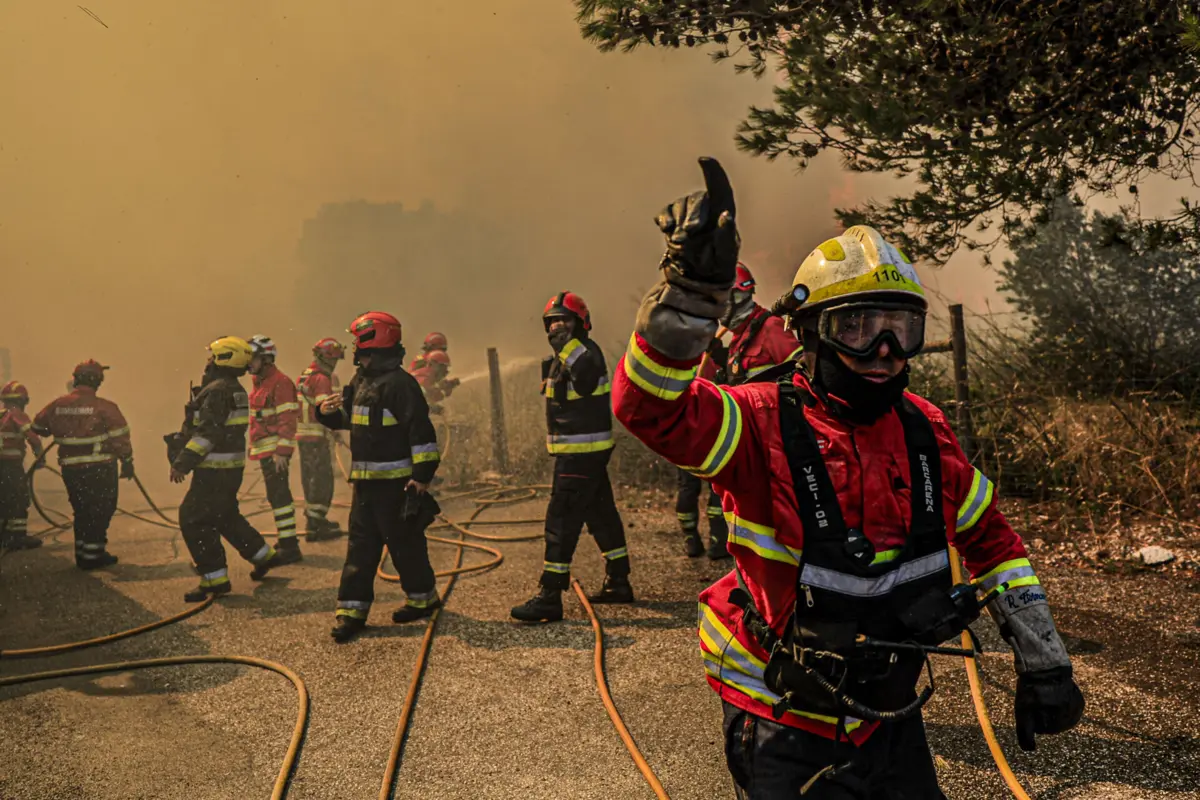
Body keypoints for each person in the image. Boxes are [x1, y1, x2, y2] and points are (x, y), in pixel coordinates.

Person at [611, 158, 1084, 798]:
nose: (884, 351)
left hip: (889, 711)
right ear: (812, 335)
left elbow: (995, 545)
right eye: (858, 327)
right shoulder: (758, 424)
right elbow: (650, 409)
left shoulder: (926, 432)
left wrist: (1045, 661)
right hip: (782, 709)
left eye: (901, 328)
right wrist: (690, 297)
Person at [318, 311, 443, 643]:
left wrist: (422, 476)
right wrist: (326, 414)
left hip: (396, 486)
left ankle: (422, 599)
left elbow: (422, 433)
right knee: (360, 549)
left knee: (405, 546)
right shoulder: (360, 380)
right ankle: (351, 612)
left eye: (359, 339)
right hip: (364, 486)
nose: (355, 346)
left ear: (374, 339)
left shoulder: (401, 385)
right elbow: (351, 419)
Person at [510, 292, 632, 623]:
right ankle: (618, 579)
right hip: (583, 455)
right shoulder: (565, 357)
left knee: (561, 522)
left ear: (581, 323)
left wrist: (564, 347)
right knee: (601, 513)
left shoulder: (584, 354)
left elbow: (586, 376)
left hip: (580, 456)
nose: (556, 327)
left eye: (564, 320)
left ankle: (550, 596)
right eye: (551, 322)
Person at [169, 337, 287, 601]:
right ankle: (263, 555)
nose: (208, 360)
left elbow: (208, 433)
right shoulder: (231, 388)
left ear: (223, 359)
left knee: (193, 518)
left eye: (213, 356)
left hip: (213, 470)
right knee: (224, 514)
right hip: (228, 469)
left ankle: (214, 579)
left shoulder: (218, 391)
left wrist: (182, 463)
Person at [33, 360, 133, 569]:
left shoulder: (57, 405)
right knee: (101, 509)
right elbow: (121, 438)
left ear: (76, 379)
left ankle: (83, 552)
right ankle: (93, 555)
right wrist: (127, 461)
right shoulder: (105, 407)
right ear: (98, 382)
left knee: (81, 509)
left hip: (70, 469)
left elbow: (38, 427)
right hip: (100, 467)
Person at [246, 335, 304, 564]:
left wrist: (282, 452)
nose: (248, 363)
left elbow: (288, 420)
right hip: (266, 452)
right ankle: (287, 539)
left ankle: (290, 547)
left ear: (267, 359)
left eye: (253, 358)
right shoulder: (260, 383)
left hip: (274, 453)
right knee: (275, 495)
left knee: (279, 496)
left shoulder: (280, 382)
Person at [675, 336, 730, 559]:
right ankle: (708, 541)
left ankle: (702, 539)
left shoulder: (708, 356)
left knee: (692, 488)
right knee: (709, 487)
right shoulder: (689, 359)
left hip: (690, 435)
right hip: (703, 433)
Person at [296, 337, 347, 540]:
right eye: (334, 359)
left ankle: (314, 520)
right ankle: (316, 525)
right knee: (322, 480)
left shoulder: (305, 376)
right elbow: (326, 411)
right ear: (326, 358)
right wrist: (335, 430)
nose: (335, 364)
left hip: (303, 436)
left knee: (310, 478)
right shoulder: (322, 379)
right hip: (317, 437)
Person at [0, 381, 45, 550]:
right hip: (11, 466)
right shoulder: (16, 414)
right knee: (18, 498)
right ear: (22, 401)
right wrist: (40, 456)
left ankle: (3, 535)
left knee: (2, 498)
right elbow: (32, 436)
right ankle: (17, 537)